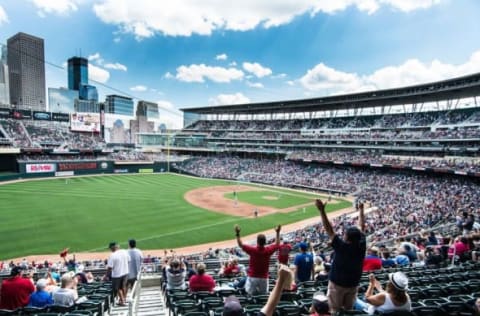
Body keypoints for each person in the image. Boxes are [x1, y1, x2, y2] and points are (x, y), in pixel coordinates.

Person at [316, 199, 366, 312]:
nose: (343, 236)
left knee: (334, 309)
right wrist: (361, 211)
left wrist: (322, 211)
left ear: (347, 238)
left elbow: (329, 229)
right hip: (353, 284)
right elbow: (361, 227)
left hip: (337, 284)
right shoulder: (361, 244)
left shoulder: (342, 246)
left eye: (345, 235)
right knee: (348, 310)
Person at [234, 224, 281, 295]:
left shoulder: (253, 250)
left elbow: (240, 244)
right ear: (265, 242)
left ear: (257, 241)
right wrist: (277, 232)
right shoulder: (268, 250)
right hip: (264, 278)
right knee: (263, 297)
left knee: (250, 295)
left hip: (252, 277)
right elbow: (277, 244)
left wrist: (237, 233)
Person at [106, 241, 130, 306]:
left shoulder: (112, 255)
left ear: (113, 247)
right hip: (125, 272)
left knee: (118, 288)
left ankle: (122, 301)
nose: (110, 249)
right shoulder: (124, 251)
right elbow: (128, 261)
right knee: (123, 287)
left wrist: (106, 276)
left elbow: (110, 268)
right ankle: (124, 299)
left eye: (110, 248)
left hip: (117, 275)